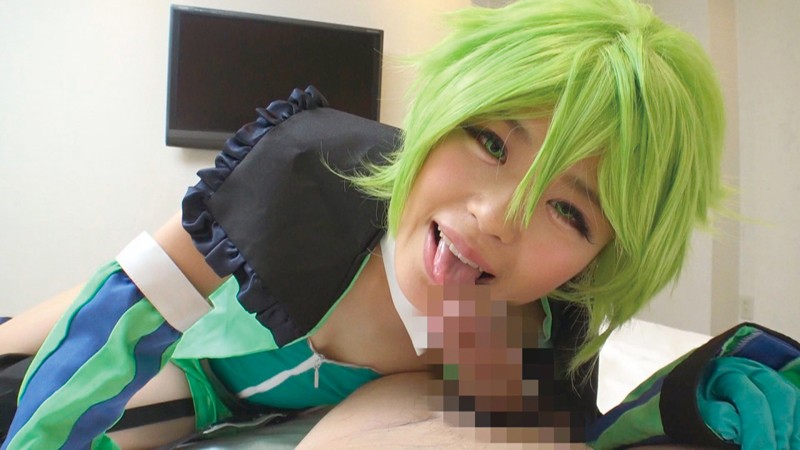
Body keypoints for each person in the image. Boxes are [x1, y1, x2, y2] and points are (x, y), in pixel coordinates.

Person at [1, 0, 797, 448]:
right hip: (200, 343)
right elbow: (129, 302)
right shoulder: (303, 167)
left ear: (600, 256)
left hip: (272, 405)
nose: (494, 218)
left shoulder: (536, 345)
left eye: (568, 209)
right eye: (490, 142)